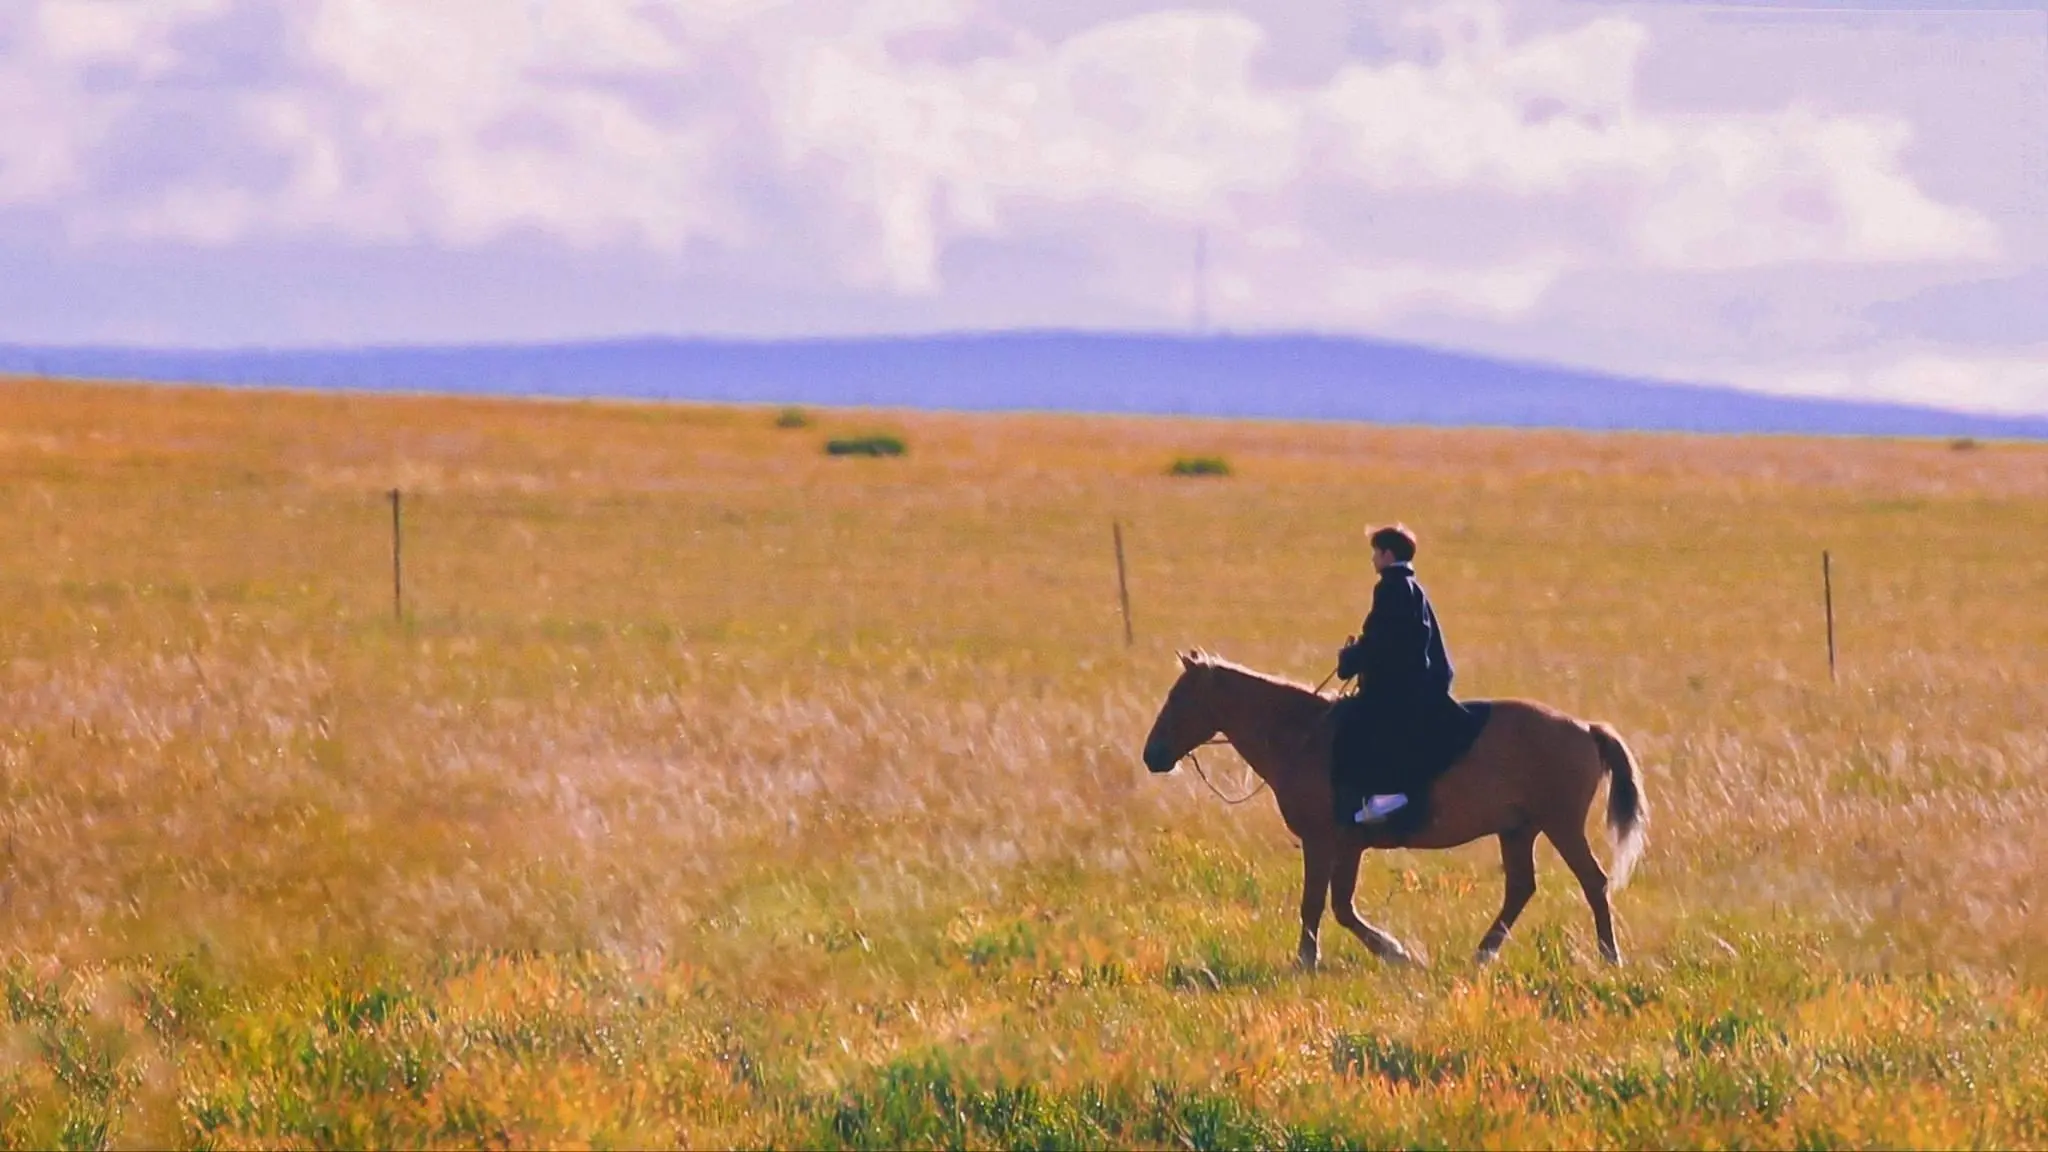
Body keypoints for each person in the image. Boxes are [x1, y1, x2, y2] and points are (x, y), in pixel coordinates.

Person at [1332, 523, 1456, 826]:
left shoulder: (1391, 587)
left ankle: (1387, 794)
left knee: (1356, 723)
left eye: (1376, 552)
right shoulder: (1410, 586)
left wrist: (1350, 660)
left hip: (1401, 686)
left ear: (1388, 554)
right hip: (1417, 682)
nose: (1373, 559)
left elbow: (1383, 640)